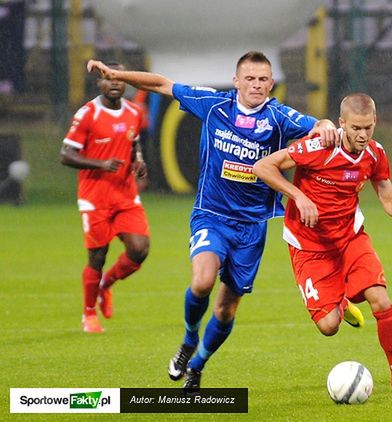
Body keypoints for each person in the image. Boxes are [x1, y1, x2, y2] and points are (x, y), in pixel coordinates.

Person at [87, 51, 339, 391]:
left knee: (225, 311)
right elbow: (163, 83)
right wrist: (117, 74)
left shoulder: (279, 117)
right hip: (212, 215)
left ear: (271, 84)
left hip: (252, 227)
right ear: (236, 81)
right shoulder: (214, 105)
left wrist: (326, 127)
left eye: (263, 79)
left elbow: (318, 124)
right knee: (202, 281)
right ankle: (189, 338)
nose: (257, 85)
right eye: (250, 78)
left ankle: (198, 364)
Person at [253, 93, 392, 399]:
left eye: (368, 128)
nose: (362, 135)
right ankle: (341, 303)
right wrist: (299, 196)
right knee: (329, 326)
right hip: (308, 245)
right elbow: (264, 167)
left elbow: (387, 197)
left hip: (350, 238)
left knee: (381, 301)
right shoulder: (319, 147)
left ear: (375, 123)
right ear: (342, 123)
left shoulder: (374, 154)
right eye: (356, 128)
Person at [61, 62, 150, 333]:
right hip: (95, 196)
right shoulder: (87, 114)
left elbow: (133, 141)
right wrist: (100, 164)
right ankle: (89, 314)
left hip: (125, 194)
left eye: (118, 79)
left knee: (139, 249)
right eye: (107, 78)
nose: (114, 83)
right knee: (97, 257)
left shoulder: (134, 111)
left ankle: (105, 285)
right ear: (98, 83)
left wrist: (138, 159)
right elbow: (66, 154)